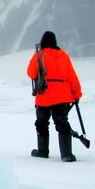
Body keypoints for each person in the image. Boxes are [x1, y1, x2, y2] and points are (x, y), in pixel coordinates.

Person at [27, 31, 82, 162]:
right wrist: (76, 94)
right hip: (63, 95)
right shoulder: (64, 56)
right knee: (62, 123)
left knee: (42, 123)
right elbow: (72, 76)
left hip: (44, 95)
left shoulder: (39, 55)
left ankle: (42, 151)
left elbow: (31, 73)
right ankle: (66, 154)